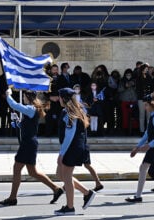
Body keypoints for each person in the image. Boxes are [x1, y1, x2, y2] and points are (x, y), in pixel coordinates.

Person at [0, 89, 63, 206]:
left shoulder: (30, 109)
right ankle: (56, 189)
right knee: (32, 172)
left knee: (17, 168)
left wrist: (8, 94)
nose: (23, 98)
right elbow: (26, 126)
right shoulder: (31, 109)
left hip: (28, 143)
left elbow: (14, 105)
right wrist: (17, 121)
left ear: (27, 97)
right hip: (29, 142)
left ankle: (12, 198)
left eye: (24, 97)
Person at [54, 87, 96, 215]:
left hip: (72, 148)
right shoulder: (73, 110)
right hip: (73, 148)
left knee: (66, 177)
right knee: (60, 175)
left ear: (64, 98)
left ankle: (70, 207)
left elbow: (69, 135)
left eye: (59, 97)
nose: (58, 99)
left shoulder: (69, 113)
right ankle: (87, 193)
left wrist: (61, 154)